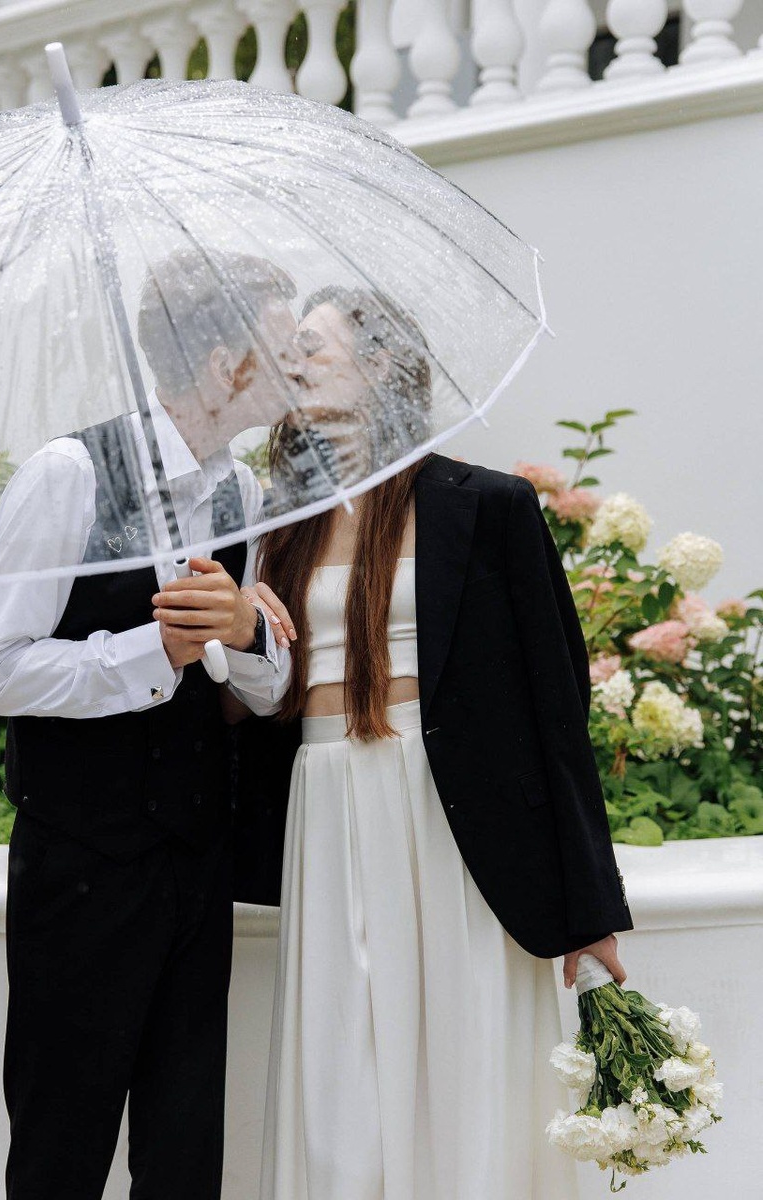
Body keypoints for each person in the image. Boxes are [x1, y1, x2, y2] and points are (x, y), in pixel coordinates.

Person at [240, 285, 634, 1200]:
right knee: (339, 1075)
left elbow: (556, 710)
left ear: (381, 365)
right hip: (325, 809)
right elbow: (256, 698)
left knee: (466, 1052)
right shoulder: (272, 524)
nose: (293, 365)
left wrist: (588, 908)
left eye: (313, 347)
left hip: (455, 818)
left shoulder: (488, 506)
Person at [0, 250, 304, 1200]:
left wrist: (244, 636)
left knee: (185, 1152)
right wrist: (153, 651)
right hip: (81, 864)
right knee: (60, 1149)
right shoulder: (66, 474)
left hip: (197, 859)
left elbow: (261, 690)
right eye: (280, 348)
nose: (296, 369)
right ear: (224, 363)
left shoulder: (241, 495)